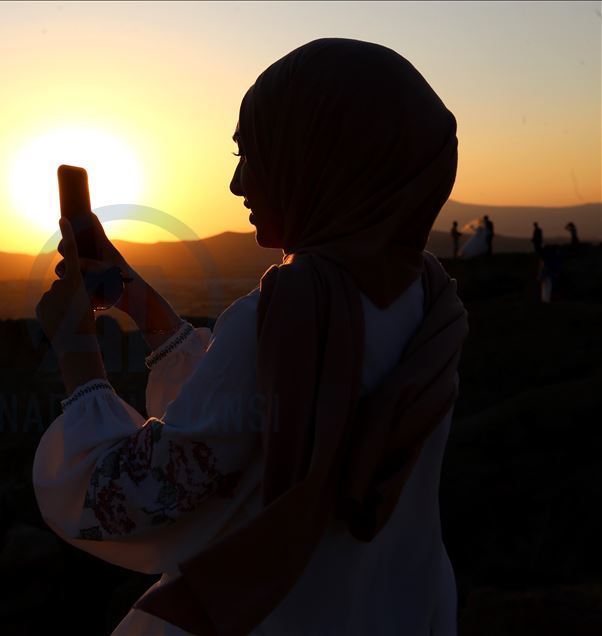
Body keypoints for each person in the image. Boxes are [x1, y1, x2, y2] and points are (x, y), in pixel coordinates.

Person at [34, 38, 467, 636]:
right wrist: (137, 298)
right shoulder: (426, 299)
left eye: (255, 153)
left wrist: (76, 352)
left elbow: (133, 498)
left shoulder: (290, 313)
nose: (239, 183)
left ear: (320, 159)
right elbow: (249, 422)